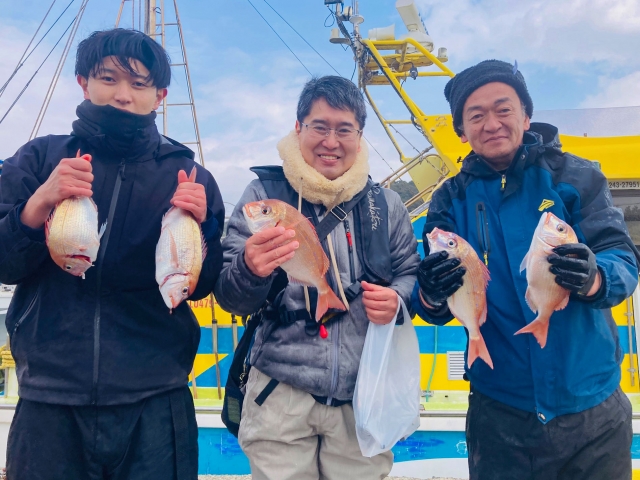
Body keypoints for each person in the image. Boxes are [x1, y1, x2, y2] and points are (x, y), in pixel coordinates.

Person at [0, 29, 225, 479]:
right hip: (50, 399)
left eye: (139, 84)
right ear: (83, 83)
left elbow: (204, 283)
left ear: (159, 95)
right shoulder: (40, 159)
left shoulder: (189, 175)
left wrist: (201, 229)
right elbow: (6, 264)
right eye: (108, 79)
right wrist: (38, 203)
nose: (123, 94)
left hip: (156, 400)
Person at [412, 59, 639, 479]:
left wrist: (594, 277)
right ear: (461, 131)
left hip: (593, 411)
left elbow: (621, 257)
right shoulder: (449, 199)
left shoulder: (578, 177)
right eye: (476, 116)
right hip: (499, 414)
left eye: (504, 109)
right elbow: (433, 305)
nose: (492, 124)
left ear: (526, 115)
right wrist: (429, 291)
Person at [214, 75, 420, 480]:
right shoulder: (262, 195)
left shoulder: (386, 203)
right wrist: (249, 269)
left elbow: (409, 271)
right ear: (298, 128)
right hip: (279, 391)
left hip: (363, 392)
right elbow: (230, 296)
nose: (331, 141)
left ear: (359, 136)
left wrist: (397, 300)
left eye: (344, 130)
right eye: (319, 127)